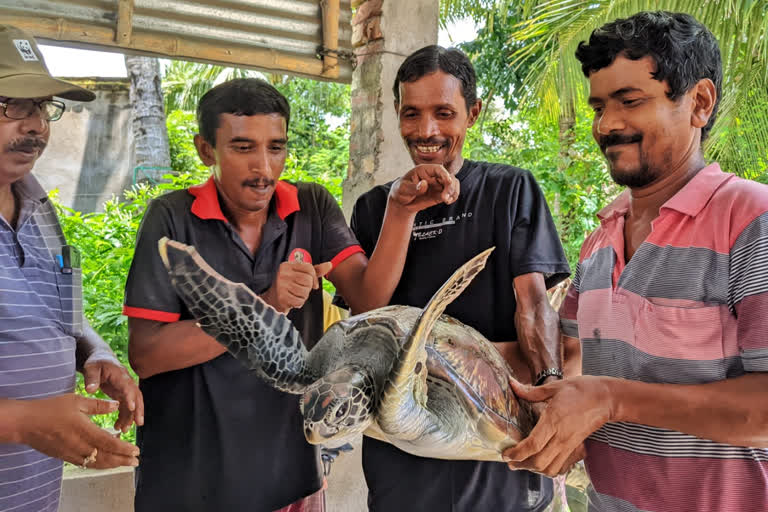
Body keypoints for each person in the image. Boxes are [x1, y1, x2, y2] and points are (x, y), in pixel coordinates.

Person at [123, 77, 458, 511]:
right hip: (191, 481)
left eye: (276, 147)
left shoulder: (311, 207)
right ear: (206, 149)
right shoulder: (171, 218)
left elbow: (370, 300)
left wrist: (400, 210)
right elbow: (146, 354)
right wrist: (266, 303)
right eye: (243, 148)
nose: (263, 167)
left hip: (291, 477)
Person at [503, 11, 768, 512]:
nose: (607, 125)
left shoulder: (752, 219)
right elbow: (574, 354)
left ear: (700, 103)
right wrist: (564, 409)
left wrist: (609, 400)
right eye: (599, 107)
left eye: (630, 101)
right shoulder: (601, 238)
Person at [345, 45, 573, 511]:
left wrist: (550, 388)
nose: (426, 131)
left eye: (443, 113)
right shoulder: (373, 209)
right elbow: (367, 315)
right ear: (396, 114)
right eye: (412, 114)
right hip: (403, 438)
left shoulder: (509, 190)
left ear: (473, 113)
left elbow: (532, 307)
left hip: (496, 429)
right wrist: (401, 212)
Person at [0, 24, 143, 512]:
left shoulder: (40, 210)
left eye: (41, 106)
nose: (36, 125)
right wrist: (19, 421)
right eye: (14, 105)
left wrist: (96, 351)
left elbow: (65, 310)